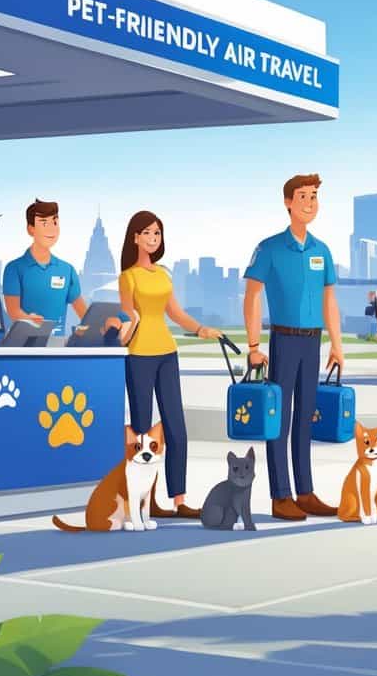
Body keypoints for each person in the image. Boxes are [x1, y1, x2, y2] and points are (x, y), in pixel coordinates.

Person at [243, 174, 344, 521]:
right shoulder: (269, 248)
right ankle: (280, 494)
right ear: (288, 202)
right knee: (279, 419)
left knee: (305, 419)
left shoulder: (322, 251)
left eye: (314, 196)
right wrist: (254, 345)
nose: (309, 203)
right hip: (283, 341)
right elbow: (253, 296)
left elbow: (330, 300)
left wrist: (337, 343)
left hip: (313, 341)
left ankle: (305, 491)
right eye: (303, 196)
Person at [117, 210, 221, 519]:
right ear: (135, 237)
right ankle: (144, 500)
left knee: (177, 428)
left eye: (157, 233)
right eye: (147, 233)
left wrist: (200, 328)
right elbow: (127, 318)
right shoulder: (128, 277)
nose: (152, 238)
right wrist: (125, 327)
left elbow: (174, 312)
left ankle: (179, 498)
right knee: (141, 432)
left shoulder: (163, 274)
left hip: (166, 353)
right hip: (138, 355)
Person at [2, 199, 90, 336]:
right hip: (23, 346)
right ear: (30, 229)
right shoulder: (14, 269)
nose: (51, 229)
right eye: (44, 223)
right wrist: (28, 320)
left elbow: (84, 315)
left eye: (55, 222)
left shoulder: (67, 270)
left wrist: (89, 328)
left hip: (57, 348)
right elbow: (13, 311)